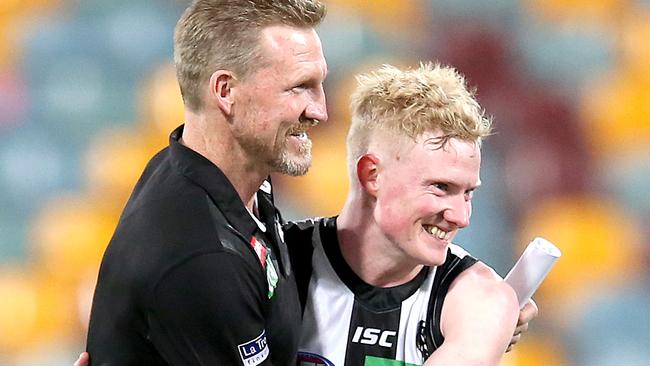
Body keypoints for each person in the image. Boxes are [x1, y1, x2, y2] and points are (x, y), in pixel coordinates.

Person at [84, 0, 328, 365]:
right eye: (299, 87)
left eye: (320, 85)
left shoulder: (211, 171)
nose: (320, 110)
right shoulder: (203, 260)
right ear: (226, 91)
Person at [285, 62, 526, 366]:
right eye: (441, 187)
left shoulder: (479, 298)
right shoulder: (278, 260)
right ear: (373, 175)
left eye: (468, 193)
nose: (461, 217)